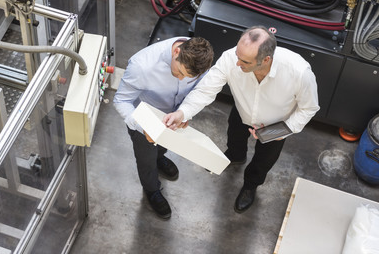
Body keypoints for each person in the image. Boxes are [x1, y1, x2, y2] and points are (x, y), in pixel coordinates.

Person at [163, 26, 320, 213]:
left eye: (244, 61)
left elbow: (309, 108)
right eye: (238, 55)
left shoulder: (299, 72)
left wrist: (281, 131)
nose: (237, 63)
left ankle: (250, 186)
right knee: (234, 139)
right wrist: (183, 113)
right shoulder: (231, 58)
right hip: (242, 112)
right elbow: (206, 90)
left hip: (275, 125)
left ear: (266, 60)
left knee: (263, 161)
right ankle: (236, 156)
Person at [114, 36, 214, 219]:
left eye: (188, 78)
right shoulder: (142, 65)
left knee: (162, 147)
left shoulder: (198, 58)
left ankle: (160, 158)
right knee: (146, 159)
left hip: (172, 118)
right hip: (143, 121)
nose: (182, 78)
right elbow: (121, 100)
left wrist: (184, 112)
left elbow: (200, 91)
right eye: (179, 72)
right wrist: (142, 126)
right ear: (177, 52)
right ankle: (152, 190)